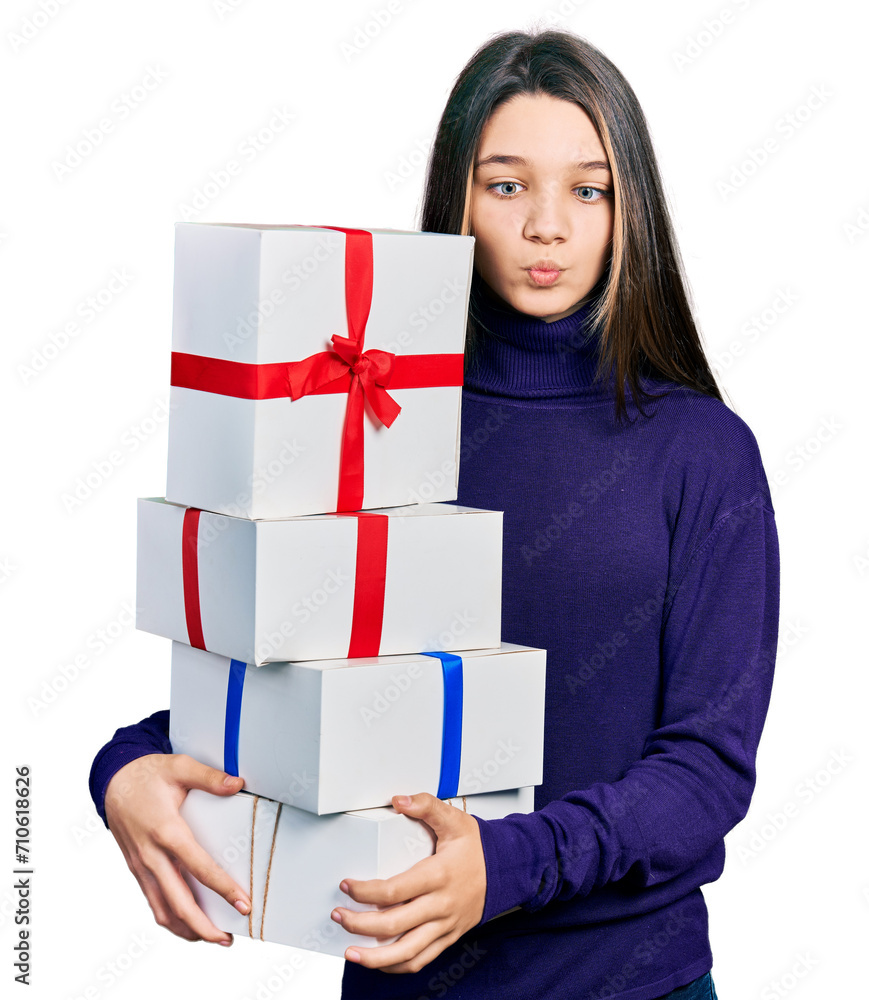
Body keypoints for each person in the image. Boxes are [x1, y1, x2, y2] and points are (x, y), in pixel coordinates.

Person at [90, 28, 779, 1000]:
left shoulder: (701, 452)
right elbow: (305, 690)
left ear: (631, 210)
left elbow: (705, 771)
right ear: (455, 198)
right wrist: (124, 768)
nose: (546, 225)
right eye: (506, 185)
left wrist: (507, 865)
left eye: (587, 189)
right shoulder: (369, 422)